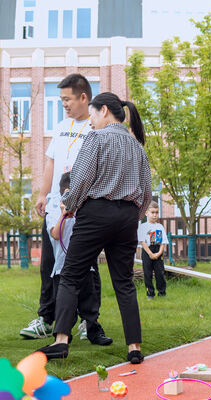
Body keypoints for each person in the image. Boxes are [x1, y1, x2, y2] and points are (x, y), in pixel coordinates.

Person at [36, 92, 152, 363]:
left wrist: (69, 204)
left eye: (92, 115)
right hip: (127, 217)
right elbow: (147, 192)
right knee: (124, 283)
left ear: (104, 111)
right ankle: (134, 347)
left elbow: (81, 179)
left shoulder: (97, 138)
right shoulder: (137, 147)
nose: (89, 122)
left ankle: (61, 340)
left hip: (96, 213)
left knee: (71, 275)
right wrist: (134, 216)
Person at [23, 73, 105, 342]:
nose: (64, 105)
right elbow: (50, 163)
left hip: (82, 211)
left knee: (85, 266)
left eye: (67, 99)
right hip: (56, 210)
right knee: (49, 264)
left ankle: (88, 321)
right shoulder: (60, 127)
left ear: (84, 97)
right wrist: (43, 194)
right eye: (61, 100)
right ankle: (46, 318)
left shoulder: (96, 130)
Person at [45, 172, 112, 346]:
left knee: (89, 303)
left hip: (85, 265)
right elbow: (55, 234)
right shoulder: (52, 212)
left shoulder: (84, 209)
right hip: (62, 267)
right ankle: (63, 336)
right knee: (65, 305)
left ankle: (94, 331)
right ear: (68, 191)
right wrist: (63, 214)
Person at [138, 201, 169, 299]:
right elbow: (142, 242)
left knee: (160, 273)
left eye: (156, 212)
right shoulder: (143, 227)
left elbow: (163, 242)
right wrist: (150, 253)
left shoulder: (160, 227)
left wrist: (159, 253)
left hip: (158, 250)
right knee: (147, 274)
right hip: (147, 251)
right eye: (152, 212)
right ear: (146, 213)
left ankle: (162, 292)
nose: (155, 215)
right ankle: (150, 293)